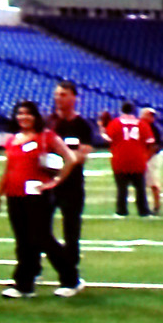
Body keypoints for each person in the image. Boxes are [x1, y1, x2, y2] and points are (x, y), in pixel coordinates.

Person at [0, 100, 82, 298]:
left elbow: (71, 158)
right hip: (14, 195)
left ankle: (71, 279)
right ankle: (24, 284)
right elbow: (8, 169)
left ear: (35, 116)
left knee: (42, 238)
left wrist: (55, 181)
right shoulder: (12, 139)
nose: (23, 117)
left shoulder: (46, 136)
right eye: (20, 113)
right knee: (23, 241)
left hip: (37, 195)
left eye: (28, 113)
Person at [47, 80, 101, 287]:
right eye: (57, 94)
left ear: (74, 97)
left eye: (63, 94)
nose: (58, 98)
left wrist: (63, 163)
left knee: (71, 230)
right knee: (40, 228)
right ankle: (37, 268)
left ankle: (71, 273)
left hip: (72, 184)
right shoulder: (49, 122)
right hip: (48, 183)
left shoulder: (82, 125)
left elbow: (82, 155)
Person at [107, 101, 150, 217]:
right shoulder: (141, 124)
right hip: (138, 159)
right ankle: (143, 210)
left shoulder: (115, 123)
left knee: (121, 188)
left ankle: (121, 210)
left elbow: (108, 139)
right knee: (140, 188)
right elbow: (149, 141)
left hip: (120, 159)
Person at [139, 106, 163, 214]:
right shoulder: (141, 126)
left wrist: (146, 157)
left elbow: (156, 146)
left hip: (152, 158)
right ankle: (144, 205)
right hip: (144, 156)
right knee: (141, 183)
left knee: (153, 182)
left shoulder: (154, 128)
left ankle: (156, 205)